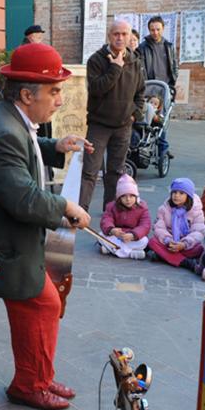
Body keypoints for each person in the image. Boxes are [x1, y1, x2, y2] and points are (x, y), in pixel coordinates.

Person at [0, 42, 92, 410]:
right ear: (28, 94)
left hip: (9, 236)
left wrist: (55, 146)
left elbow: (27, 147)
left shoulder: (10, 118)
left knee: (46, 304)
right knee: (41, 305)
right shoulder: (3, 131)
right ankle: (29, 384)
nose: (60, 100)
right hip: (0, 243)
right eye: (55, 91)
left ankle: (39, 378)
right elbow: (24, 199)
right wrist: (65, 206)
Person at [80, 19, 145, 211]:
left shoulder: (135, 61)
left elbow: (141, 92)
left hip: (123, 125)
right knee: (90, 171)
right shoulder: (96, 60)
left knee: (116, 172)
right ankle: (80, 212)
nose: (120, 38)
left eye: (124, 34)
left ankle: (110, 214)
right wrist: (115, 68)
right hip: (99, 125)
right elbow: (97, 89)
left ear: (129, 37)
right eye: (116, 34)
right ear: (109, 36)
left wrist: (135, 114)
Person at [137, 16, 178, 161]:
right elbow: (141, 68)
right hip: (149, 88)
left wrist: (173, 84)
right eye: (152, 29)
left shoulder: (169, 46)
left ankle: (162, 148)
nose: (155, 32)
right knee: (151, 119)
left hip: (165, 88)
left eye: (158, 29)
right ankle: (160, 147)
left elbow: (174, 66)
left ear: (163, 29)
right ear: (149, 30)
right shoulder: (143, 47)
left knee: (162, 120)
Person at [147, 177, 205, 269]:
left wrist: (184, 244)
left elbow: (198, 231)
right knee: (152, 242)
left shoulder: (196, 211)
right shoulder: (165, 208)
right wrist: (168, 240)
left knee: (199, 249)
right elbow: (159, 227)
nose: (176, 196)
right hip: (169, 242)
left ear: (188, 195)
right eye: (174, 192)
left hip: (185, 244)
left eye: (181, 193)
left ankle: (162, 256)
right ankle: (185, 262)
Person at [99, 174, 151, 259]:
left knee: (144, 241)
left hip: (132, 237)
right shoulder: (111, 206)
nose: (128, 199)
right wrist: (112, 230)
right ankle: (131, 254)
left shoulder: (142, 207)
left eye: (131, 196)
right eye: (124, 196)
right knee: (100, 235)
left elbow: (145, 225)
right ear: (119, 198)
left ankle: (113, 250)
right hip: (117, 236)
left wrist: (133, 235)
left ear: (136, 196)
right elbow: (106, 220)